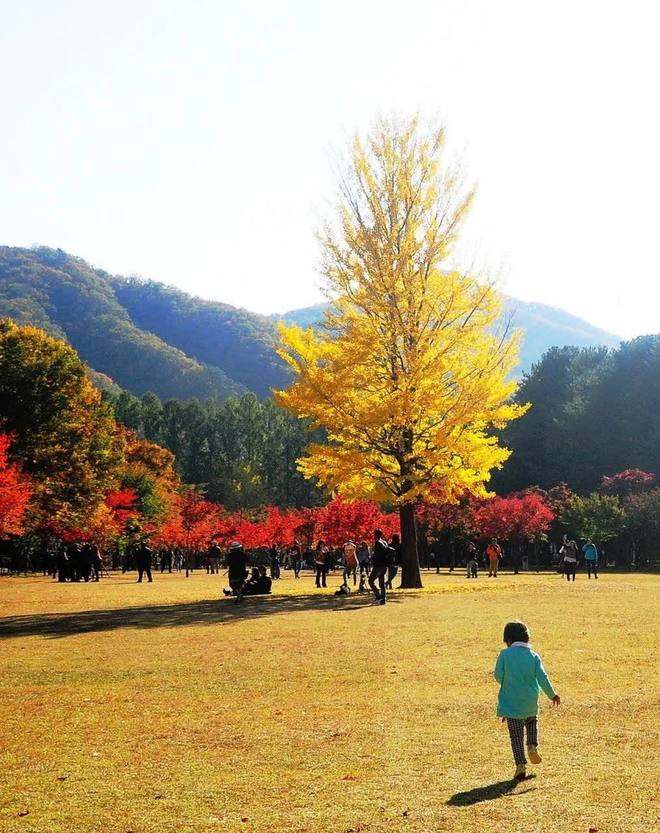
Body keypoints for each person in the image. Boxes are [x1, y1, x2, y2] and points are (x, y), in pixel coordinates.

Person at [493, 620, 561, 780]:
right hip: (530, 702)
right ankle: (532, 745)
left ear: (508, 640)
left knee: (516, 736)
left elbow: (497, 676)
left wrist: (507, 679)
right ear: (526, 638)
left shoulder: (504, 655)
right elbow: (542, 677)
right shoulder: (533, 656)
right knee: (532, 722)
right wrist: (552, 694)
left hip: (511, 705)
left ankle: (520, 765)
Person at [368, 529, 391, 605]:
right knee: (382, 582)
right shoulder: (384, 542)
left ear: (375, 535)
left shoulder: (378, 543)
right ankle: (383, 598)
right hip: (385, 565)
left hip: (378, 565)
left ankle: (378, 596)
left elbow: (377, 555)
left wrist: (371, 559)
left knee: (371, 581)